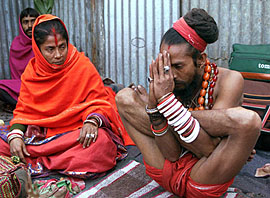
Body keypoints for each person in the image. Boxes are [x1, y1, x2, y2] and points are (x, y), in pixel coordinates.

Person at [115, 8, 261, 198]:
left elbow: (206, 150)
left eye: (178, 66)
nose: (171, 75)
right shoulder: (165, 80)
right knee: (124, 97)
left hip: (203, 178)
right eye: (166, 66)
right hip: (163, 166)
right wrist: (161, 111)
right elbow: (174, 154)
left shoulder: (229, 80)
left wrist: (162, 107)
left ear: (201, 60)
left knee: (248, 121)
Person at [0, 14, 129, 180]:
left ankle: (35, 162)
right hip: (44, 134)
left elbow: (98, 101)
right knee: (5, 142)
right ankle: (53, 160)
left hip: (76, 133)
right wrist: (16, 134)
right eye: (50, 49)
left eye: (62, 46)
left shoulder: (81, 65)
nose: (58, 54)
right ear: (37, 49)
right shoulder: (31, 74)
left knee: (101, 145)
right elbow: (24, 111)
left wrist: (92, 121)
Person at [0, 8, 39, 111]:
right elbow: (16, 76)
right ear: (21, 25)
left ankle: (23, 106)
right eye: (26, 22)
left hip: (40, 86)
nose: (30, 26)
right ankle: (23, 105)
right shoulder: (16, 44)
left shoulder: (43, 41)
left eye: (33, 21)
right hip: (21, 86)